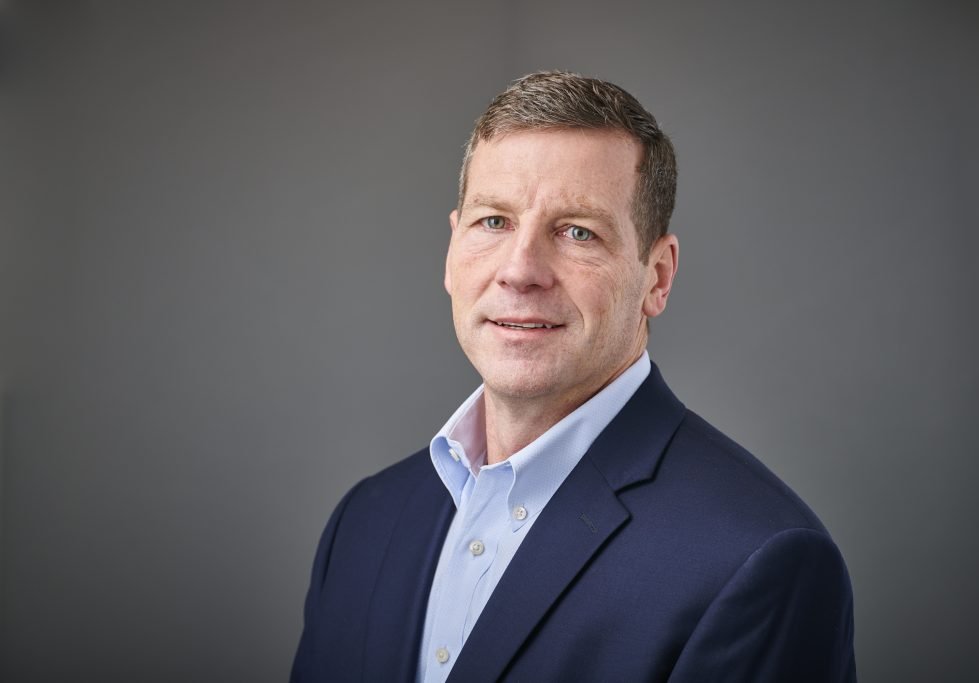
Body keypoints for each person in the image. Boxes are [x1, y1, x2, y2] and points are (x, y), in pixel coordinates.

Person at [291, 71, 856, 682]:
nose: (520, 270)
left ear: (657, 277)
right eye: (494, 222)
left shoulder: (757, 559)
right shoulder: (366, 521)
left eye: (577, 232)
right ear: (452, 253)